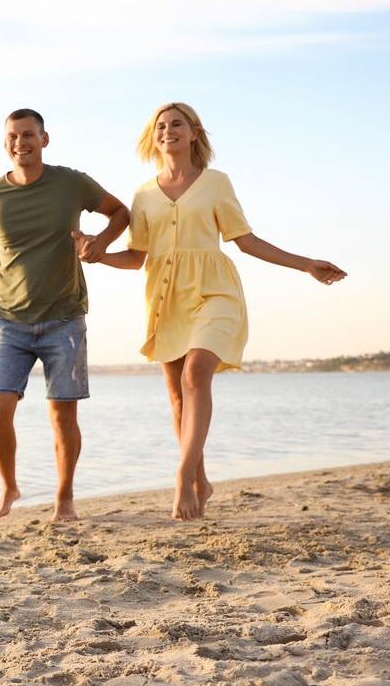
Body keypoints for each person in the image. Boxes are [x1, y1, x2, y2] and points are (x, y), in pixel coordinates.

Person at [83, 102, 346, 520]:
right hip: (165, 296)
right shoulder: (143, 194)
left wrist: (305, 264)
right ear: (155, 138)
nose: (168, 131)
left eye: (177, 124)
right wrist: (97, 254)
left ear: (193, 133)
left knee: (195, 374)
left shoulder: (216, 183)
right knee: (176, 398)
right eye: (161, 126)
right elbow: (136, 257)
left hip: (214, 290)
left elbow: (247, 241)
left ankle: (183, 477)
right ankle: (201, 480)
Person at [0, 108, 130, 522]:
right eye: (13, 136)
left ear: (44, 139)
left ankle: (64, 498)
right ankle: (9, 486)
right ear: (5, 142)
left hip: (65, 319)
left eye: (28, 135)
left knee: (62, 414)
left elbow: (120, 212)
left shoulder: (70, 183)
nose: (20, 143)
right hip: (11, 321)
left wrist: (99, 242)